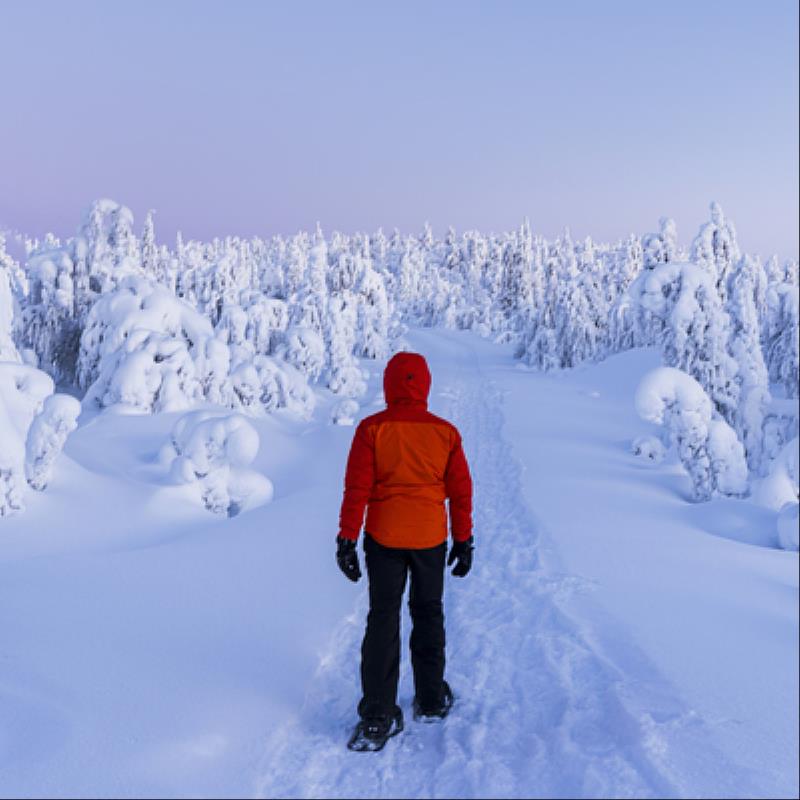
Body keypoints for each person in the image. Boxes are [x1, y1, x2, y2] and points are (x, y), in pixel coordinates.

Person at [335, 351, 474, 751]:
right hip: (430, 539)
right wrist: (464, 540)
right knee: (428, 612)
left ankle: (378, 715)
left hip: (384, 539)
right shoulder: (445, 433)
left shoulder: (371, 429)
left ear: (389, 385)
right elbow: (461, 493)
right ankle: (430, 699)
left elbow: (356, 488)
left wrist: (347, 537)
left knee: (383, 618)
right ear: (425, 386)